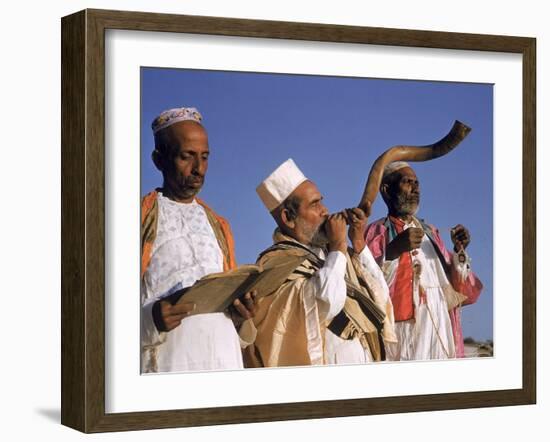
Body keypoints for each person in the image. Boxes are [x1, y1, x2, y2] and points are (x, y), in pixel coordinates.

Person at [245, 159, 396, 368]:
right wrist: (338, 247)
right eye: (314, 204)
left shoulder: (333, 256)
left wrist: (358, 242)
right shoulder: (274, 266)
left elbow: (381, 296)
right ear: (288, 217)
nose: (325, 210)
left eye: (321, 201)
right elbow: (325, 303)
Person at [141, 107, 256, 373]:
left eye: (204, 158)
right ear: (159, 160)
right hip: (171, 362)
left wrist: (240, 315)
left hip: (224, 360)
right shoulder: (138, 217)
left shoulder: (219, 225)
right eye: (187, 157)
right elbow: (102, 309)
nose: (199, 169)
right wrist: (150, 319)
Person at [365, 161, 483, 360]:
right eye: (407, 182)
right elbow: (366, 283)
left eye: (417, 183)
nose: (415, 188)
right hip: (404, 329)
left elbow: (457, 288)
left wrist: (459, 250)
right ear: (386, 190)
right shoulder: (376, 232)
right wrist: (393, 251)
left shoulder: (431, 233)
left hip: (439, 323)